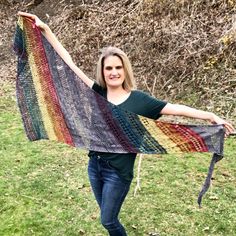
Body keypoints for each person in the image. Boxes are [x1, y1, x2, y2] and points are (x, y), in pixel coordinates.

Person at [18, 12, 235, 236]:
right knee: (107, 216)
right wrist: (46, 30)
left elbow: (177, 108)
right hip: (95, 165)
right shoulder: (97, 94)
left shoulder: (140, 101)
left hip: (118, 172)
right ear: (103, 72)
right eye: (109, 68)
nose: (113, 72)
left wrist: (210, 115)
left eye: (118, 68)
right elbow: (70, 64)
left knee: (108, 221)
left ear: (125, 70)